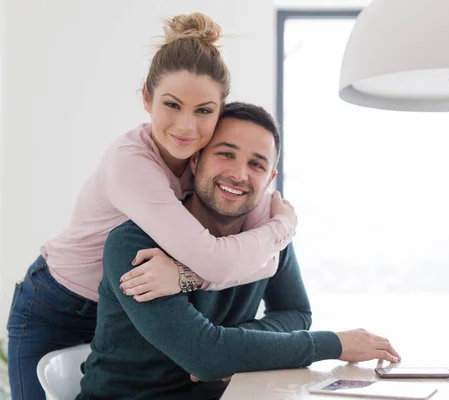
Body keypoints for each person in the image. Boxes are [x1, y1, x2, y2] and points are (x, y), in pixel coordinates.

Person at [6, 13, 297, 400]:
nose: (186, 126)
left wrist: (188, 274)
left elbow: (268, 262)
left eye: (204, 111)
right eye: (172, 105)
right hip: (55, 306)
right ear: (146, 98)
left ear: (220, 110)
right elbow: (225, 260)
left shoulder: (209, 168)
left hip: (122, 305)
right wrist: (283, 228)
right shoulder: (132, 165)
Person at [77, 102, 400, 400]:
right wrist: (336, 344)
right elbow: (205, 357)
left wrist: (235, 340)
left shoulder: (269, 239)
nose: (239, 174)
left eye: (256, 164)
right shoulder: (133, 244)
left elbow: (296, 313)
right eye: (226, 154)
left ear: (270, 178)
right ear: (196, 159)